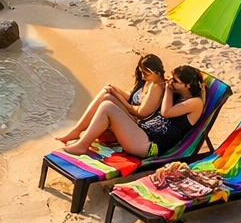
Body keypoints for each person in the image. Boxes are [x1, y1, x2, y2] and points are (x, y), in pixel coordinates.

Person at [59, 63, 206, 158]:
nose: (171, 82)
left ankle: (82, 145)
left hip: (149, 146)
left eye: (176, 81)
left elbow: (166, 112)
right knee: (107, 100)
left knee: (107, 107)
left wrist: (167, 89)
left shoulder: (195, 103)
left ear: (188, 86)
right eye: (172, 79)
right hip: (142, 133)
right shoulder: (179, 95)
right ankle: (79, 132)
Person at [55, 54, 167, 147]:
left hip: (136, 123)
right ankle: (77, 130)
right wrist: (114, 89)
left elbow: (141, 113)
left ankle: (78, 132)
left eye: (146, 74)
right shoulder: (150, 82)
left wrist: (117, 96)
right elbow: (135, 100)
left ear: (156, 72)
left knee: (108, 98)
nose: (143, 77)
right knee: (106, 93)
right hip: (132, 114)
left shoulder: (156, 87)